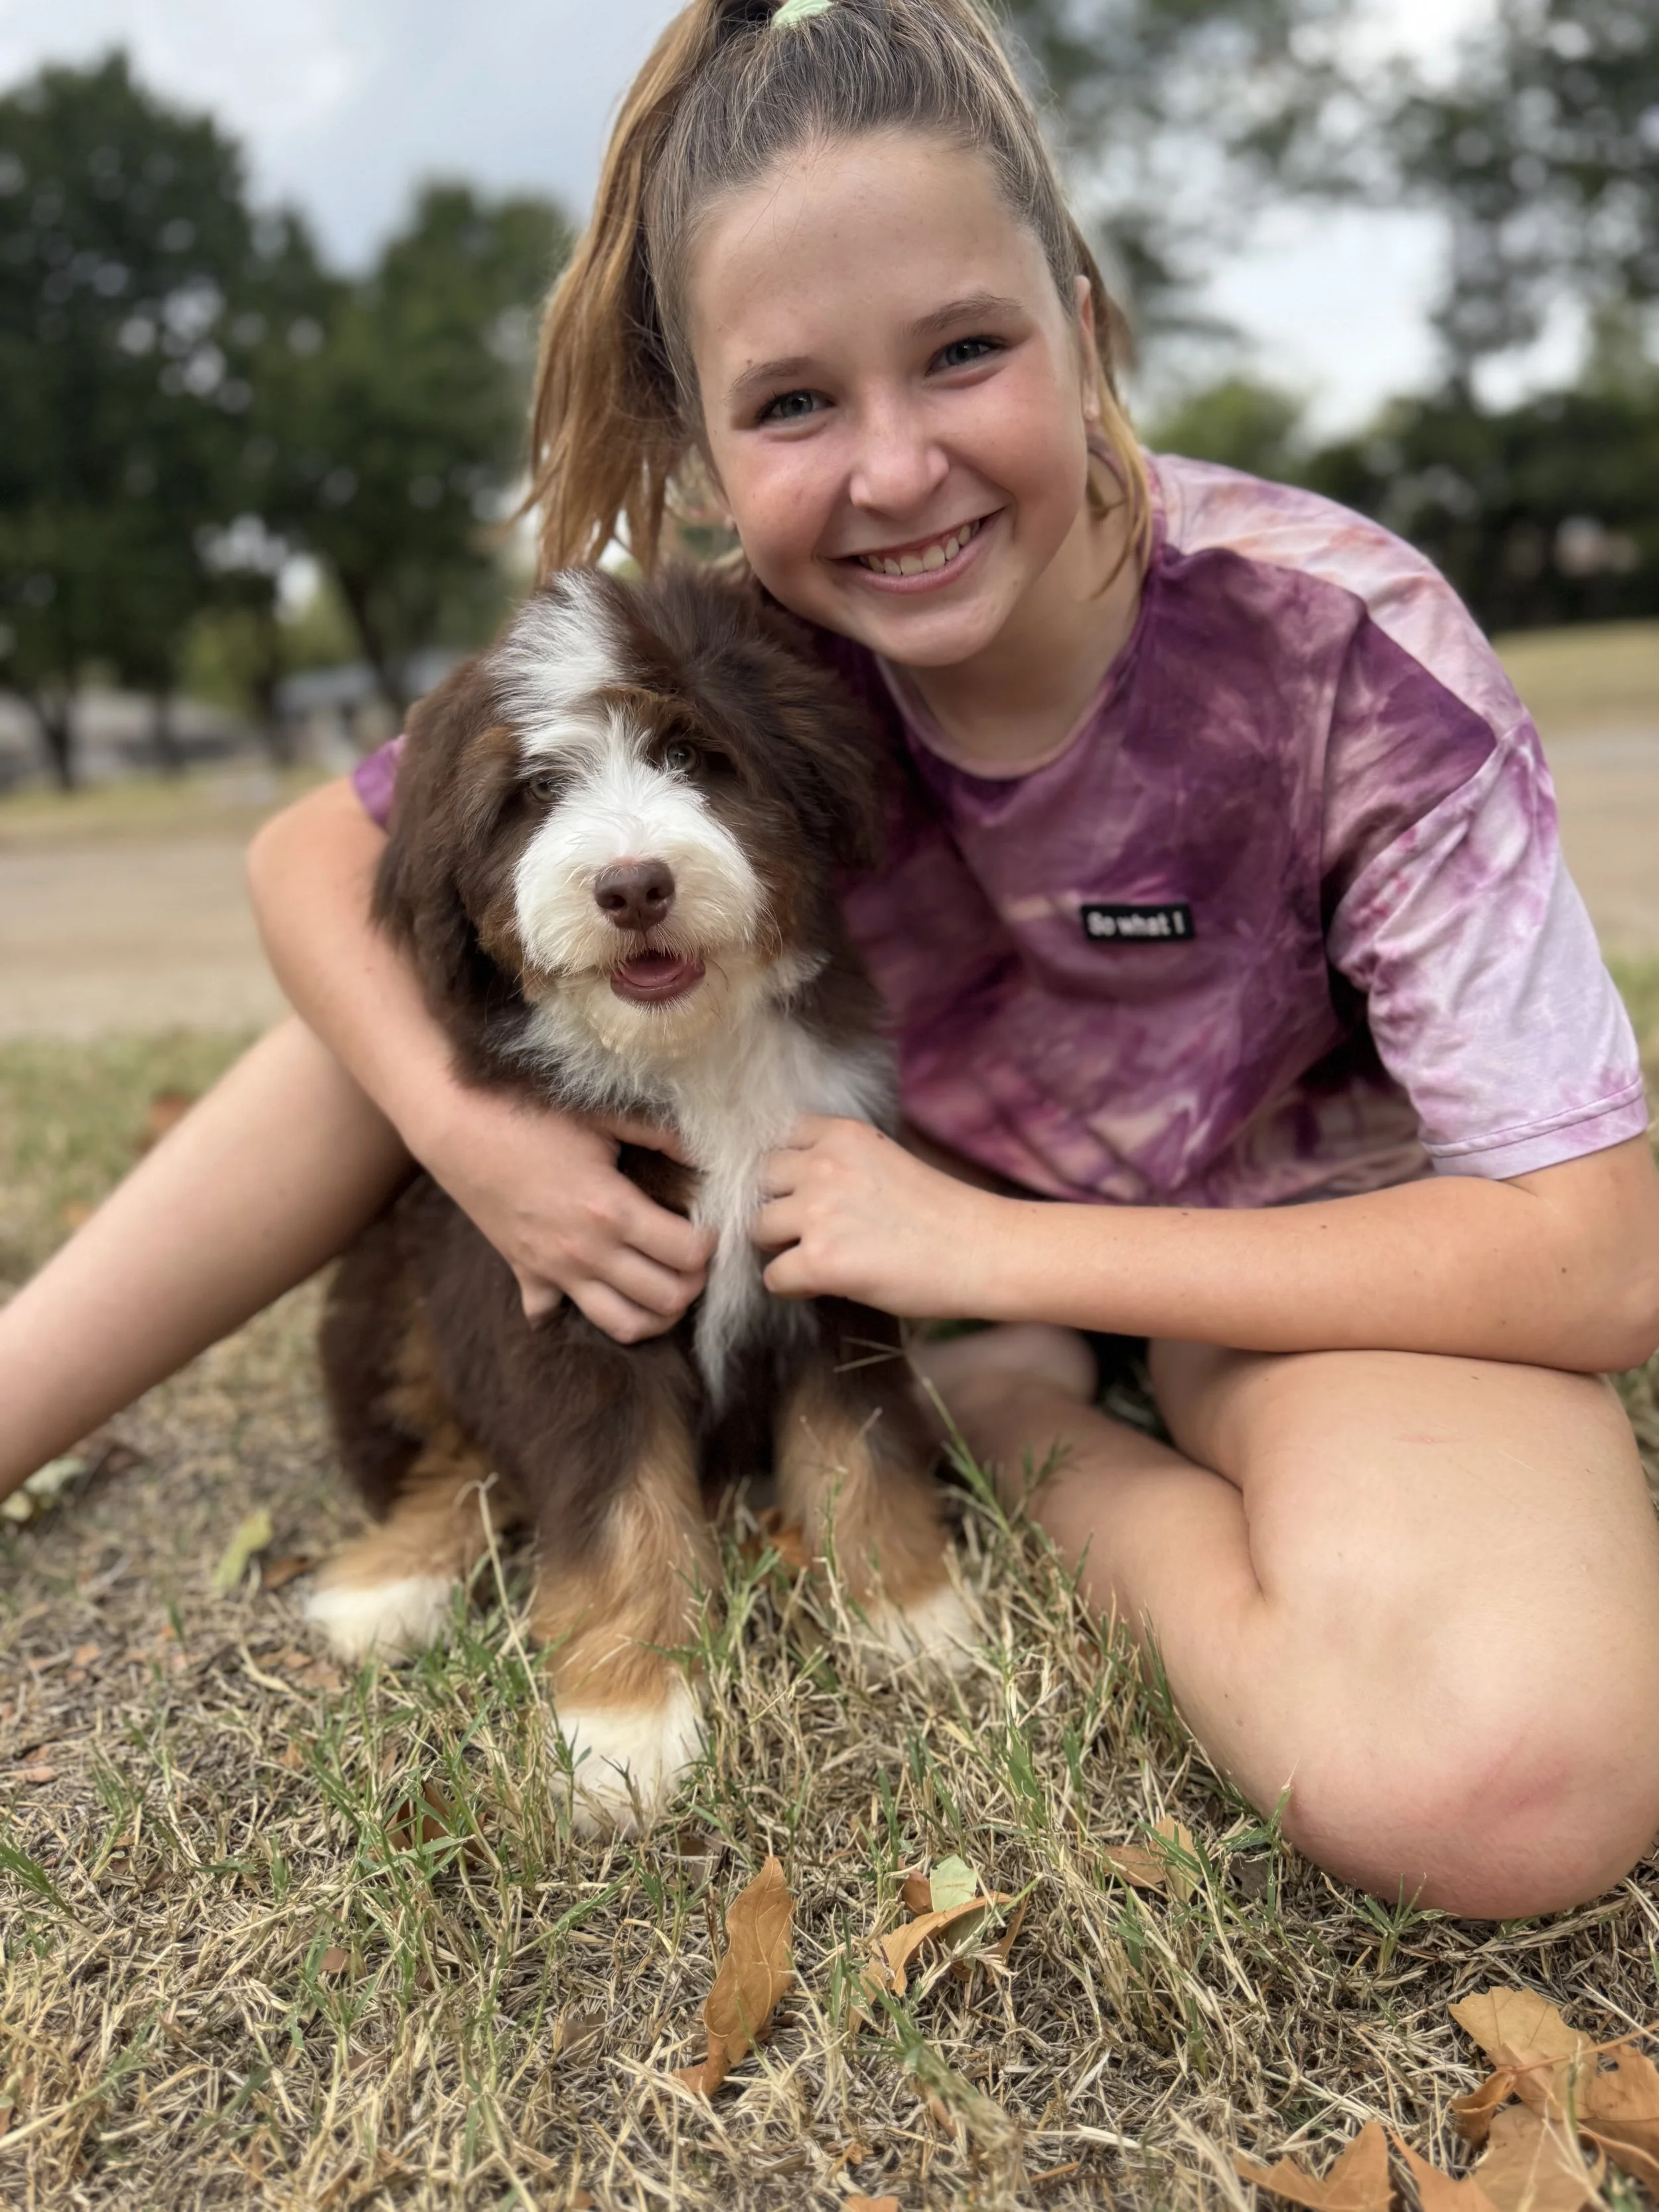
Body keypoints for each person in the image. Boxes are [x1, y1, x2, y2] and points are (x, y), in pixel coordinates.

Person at [5, 0, 1658, 1920]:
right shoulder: (722, 653)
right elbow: (312, 856)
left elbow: (1593, 1254)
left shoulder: (1343, 653)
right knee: (431, 1006)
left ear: (1087, 318)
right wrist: (489, 1153)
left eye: (965, 352)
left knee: (1503, 1781)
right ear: (701, 447)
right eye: (793, 403)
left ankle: (1015, 1405)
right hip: (828, 1187)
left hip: (1289, 1253)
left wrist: (989, 1275)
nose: (892, 473)